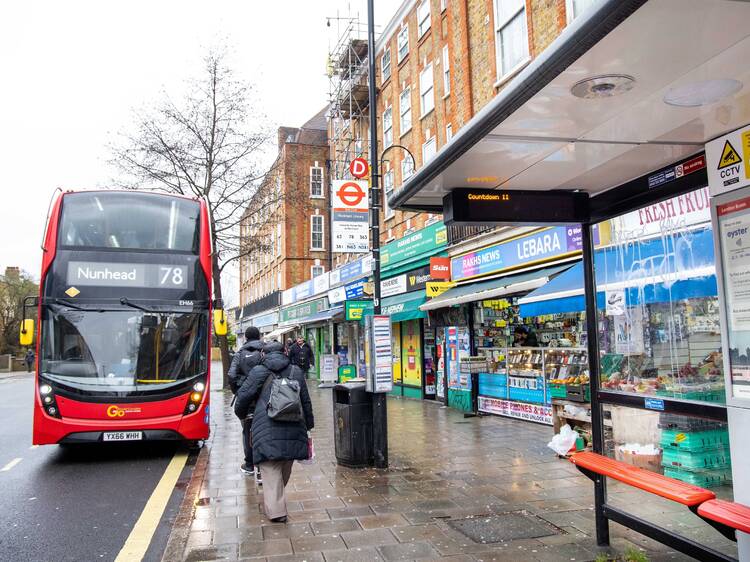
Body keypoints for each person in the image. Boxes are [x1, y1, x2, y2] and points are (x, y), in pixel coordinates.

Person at [234, 341, 314, 523]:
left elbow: (243, 396)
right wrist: (308, 425)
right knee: (285, 463)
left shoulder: (258, 372)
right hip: (295, 424)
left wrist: (242, 415)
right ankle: (276, 500)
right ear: (285, 352)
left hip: (266, 426)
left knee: (270, 469)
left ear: (263, 354)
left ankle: (277, 512)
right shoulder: (295, 371)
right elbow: (306, 401)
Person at [228, 326, 264, 481]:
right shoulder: (264, 352)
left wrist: (238, 391)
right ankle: (263, 466)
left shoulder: (240, 354)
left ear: (246, 338)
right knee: (265, 430)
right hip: (264, 397)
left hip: (246, 399)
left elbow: (231, 375)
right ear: (259, 336)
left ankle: (249, 464)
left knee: (247, 429)